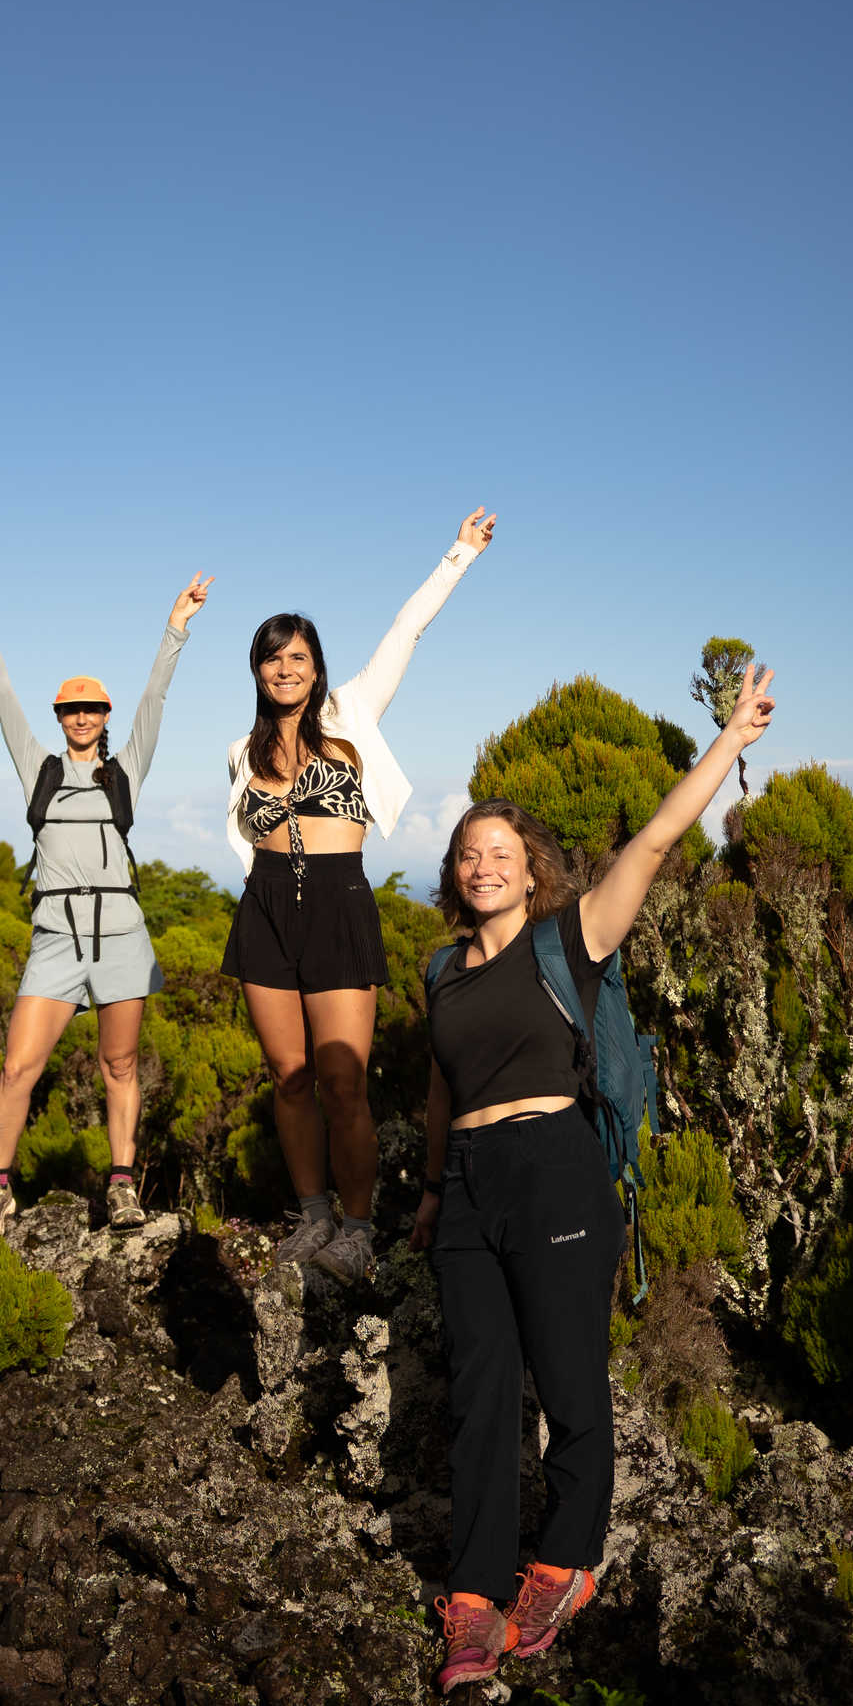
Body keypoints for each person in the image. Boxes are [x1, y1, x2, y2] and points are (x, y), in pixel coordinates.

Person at [413, 663, 777, 1691]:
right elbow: (442, 1089)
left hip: (558, 1171)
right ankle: (475, 1599)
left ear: (532, 872)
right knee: (480, 1392)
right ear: (454, 875)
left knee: (568, 1385)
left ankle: (564, 1562)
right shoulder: (440, 972)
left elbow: (654, 841)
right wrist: (436, 1188)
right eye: (467, 853)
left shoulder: (568, 941)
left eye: (502, 852)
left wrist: (728, 742)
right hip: (472, 1185)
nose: (483, 864)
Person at [224, 512, 496, 1284]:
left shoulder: (350, 714)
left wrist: (459, 554)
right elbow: (243, 836)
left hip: (340, 903)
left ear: (317, 667)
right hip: (266, 909)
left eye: (298, 657)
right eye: (273, 658)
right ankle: (310, 1218)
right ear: (257, 670)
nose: (286, 669)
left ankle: (356, 1227)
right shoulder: (240, 752)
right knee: (290, 1078)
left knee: (344, 1081)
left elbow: (407, 630)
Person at [0, 565, 212, 1233]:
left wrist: (175, 628)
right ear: (60, 717)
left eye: (92, 709)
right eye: (72, 709)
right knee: (17, 1068)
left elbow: (156, 699)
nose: (82, 718)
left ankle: (123, 1187)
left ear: (105, 718)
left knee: (119, 1064)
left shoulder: (125, 770)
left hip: (122, 932)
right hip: (55, 935)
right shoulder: (38, 767)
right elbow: (1, 694)